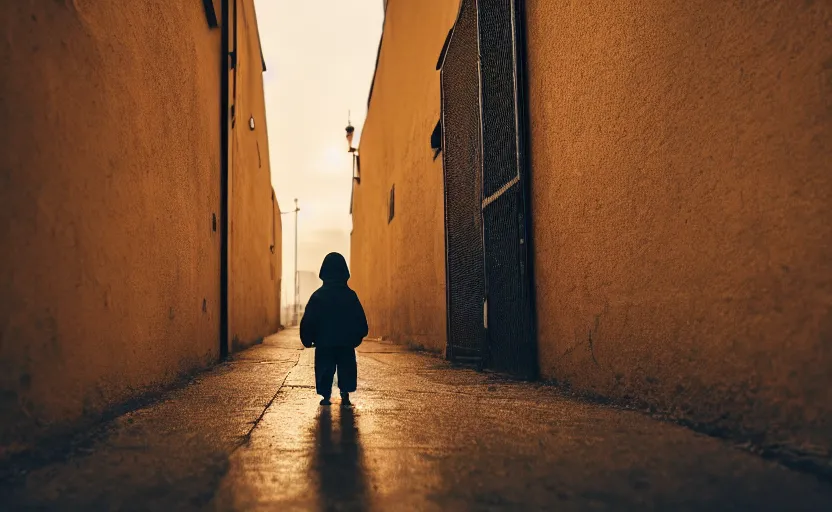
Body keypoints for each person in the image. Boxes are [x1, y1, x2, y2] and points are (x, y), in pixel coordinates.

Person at [300, 252, 369, 406]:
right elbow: (361, 322)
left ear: (323, 273)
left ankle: (325, 395)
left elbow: (308, 320)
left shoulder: (317, 297)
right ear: (344, 272)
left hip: (324, 343)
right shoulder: (351, 296)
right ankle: (345, 394)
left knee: (324, 368)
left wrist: (307, 339)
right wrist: (357, 337)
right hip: (346, 344)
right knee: (347, 367)